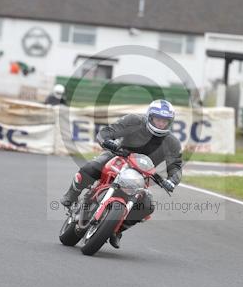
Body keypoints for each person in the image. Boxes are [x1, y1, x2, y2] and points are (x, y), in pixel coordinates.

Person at [60, 99, 183, 248]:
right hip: (118, 157)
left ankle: (117, 230)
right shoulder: (134, 121)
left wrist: (172, 181)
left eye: (165, 121)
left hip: (142, 174)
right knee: (91, 168)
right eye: (158, 119)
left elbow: (176, 165)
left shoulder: (172, 142)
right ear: (150, 117)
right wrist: (107, 141)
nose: (161, 124)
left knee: (147, 206)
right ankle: (71, 195)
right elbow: (108, 131)